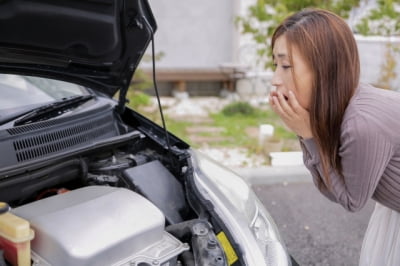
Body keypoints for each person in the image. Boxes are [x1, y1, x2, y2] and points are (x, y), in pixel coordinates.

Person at [268, 8, 400, 266]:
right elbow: (333, 188)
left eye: (286, 66)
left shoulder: (360, 123)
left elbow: (351, 200)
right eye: (275, 65)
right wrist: (307, 134)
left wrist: (307, 134)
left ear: (324, 69)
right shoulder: (346, 103)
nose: (275, 80)